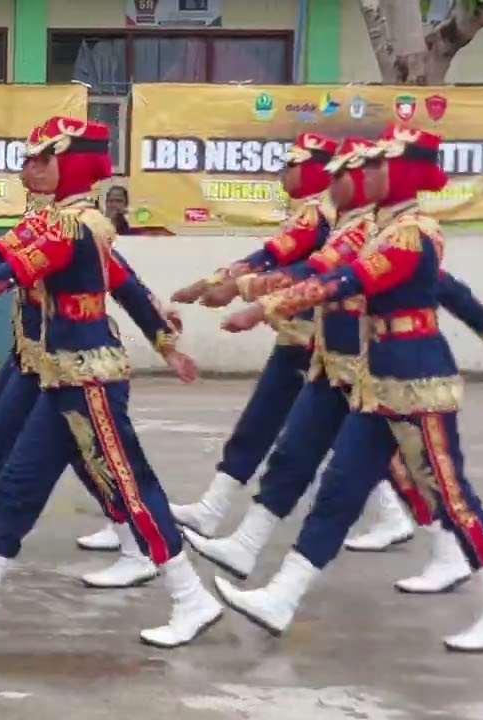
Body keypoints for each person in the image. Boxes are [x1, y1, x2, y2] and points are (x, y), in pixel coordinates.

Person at [0, 116, 219, 648]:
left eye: (45, 158)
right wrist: (165, 342)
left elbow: (6, 273)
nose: (31, 166)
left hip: (90, 379)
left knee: (131, 488)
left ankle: (191, 598)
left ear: (77, 163)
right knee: (18, 484)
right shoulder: (59, 221)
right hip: (58, 376)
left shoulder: (74, 226)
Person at [214, 123, 483, 652]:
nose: (368, 174)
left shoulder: (412, 232)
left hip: (417, 379)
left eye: (380, 165)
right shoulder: (384, 226)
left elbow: (349, 281)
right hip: (377, 379)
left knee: (451, 496)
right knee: (339, 489)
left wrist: (263, 307)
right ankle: (282, 596)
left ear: (403, 171)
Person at [165, 133, 338, 538]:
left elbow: (269, 259)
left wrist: (222, 286)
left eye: (292, 165)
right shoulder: (312, 213)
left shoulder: (316, 216)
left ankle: (425, 526)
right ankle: (214, 506)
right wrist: (216, 285)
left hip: (311, 340)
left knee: (289, 427)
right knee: (328, 429)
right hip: (300, 335)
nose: (283, 171)